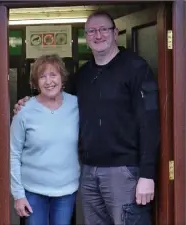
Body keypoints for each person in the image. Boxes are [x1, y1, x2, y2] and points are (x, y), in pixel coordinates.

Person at [14, 11, 160, 225]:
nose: (97, 35)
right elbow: (53, 98)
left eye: (103, 29)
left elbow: (150, 123)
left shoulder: (135, 68)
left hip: (124, 172)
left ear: (115, 33)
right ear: (86, 36)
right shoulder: (83, 75)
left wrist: (147, 174)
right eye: (92, 31)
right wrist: (26, 102)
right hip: (89, 172)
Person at [10, 54, 80, 225]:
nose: (48, 81)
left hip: (66, 190)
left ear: (62, 77)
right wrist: (18, 194)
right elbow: (14, 154)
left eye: (53, 74)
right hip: (33, 191)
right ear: (35, 83)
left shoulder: (77, 104)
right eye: (42, 76)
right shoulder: (24, 111)